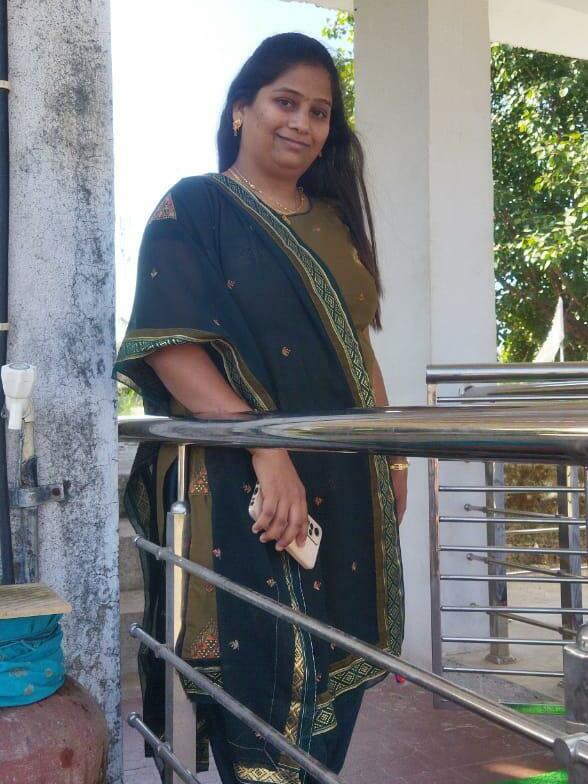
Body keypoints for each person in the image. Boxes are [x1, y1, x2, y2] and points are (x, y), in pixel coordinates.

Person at [114, 31, 407, 784]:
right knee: (262, 675)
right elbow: (173, 350)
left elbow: (358, 354)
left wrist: (394, 460)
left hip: (346, 485)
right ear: (241, 109)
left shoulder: (334, 224)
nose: (302, 123)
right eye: (286, 102)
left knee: (337, 667)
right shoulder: (193, 208)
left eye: (320, 112)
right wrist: (266, 449)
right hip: (243, 485)